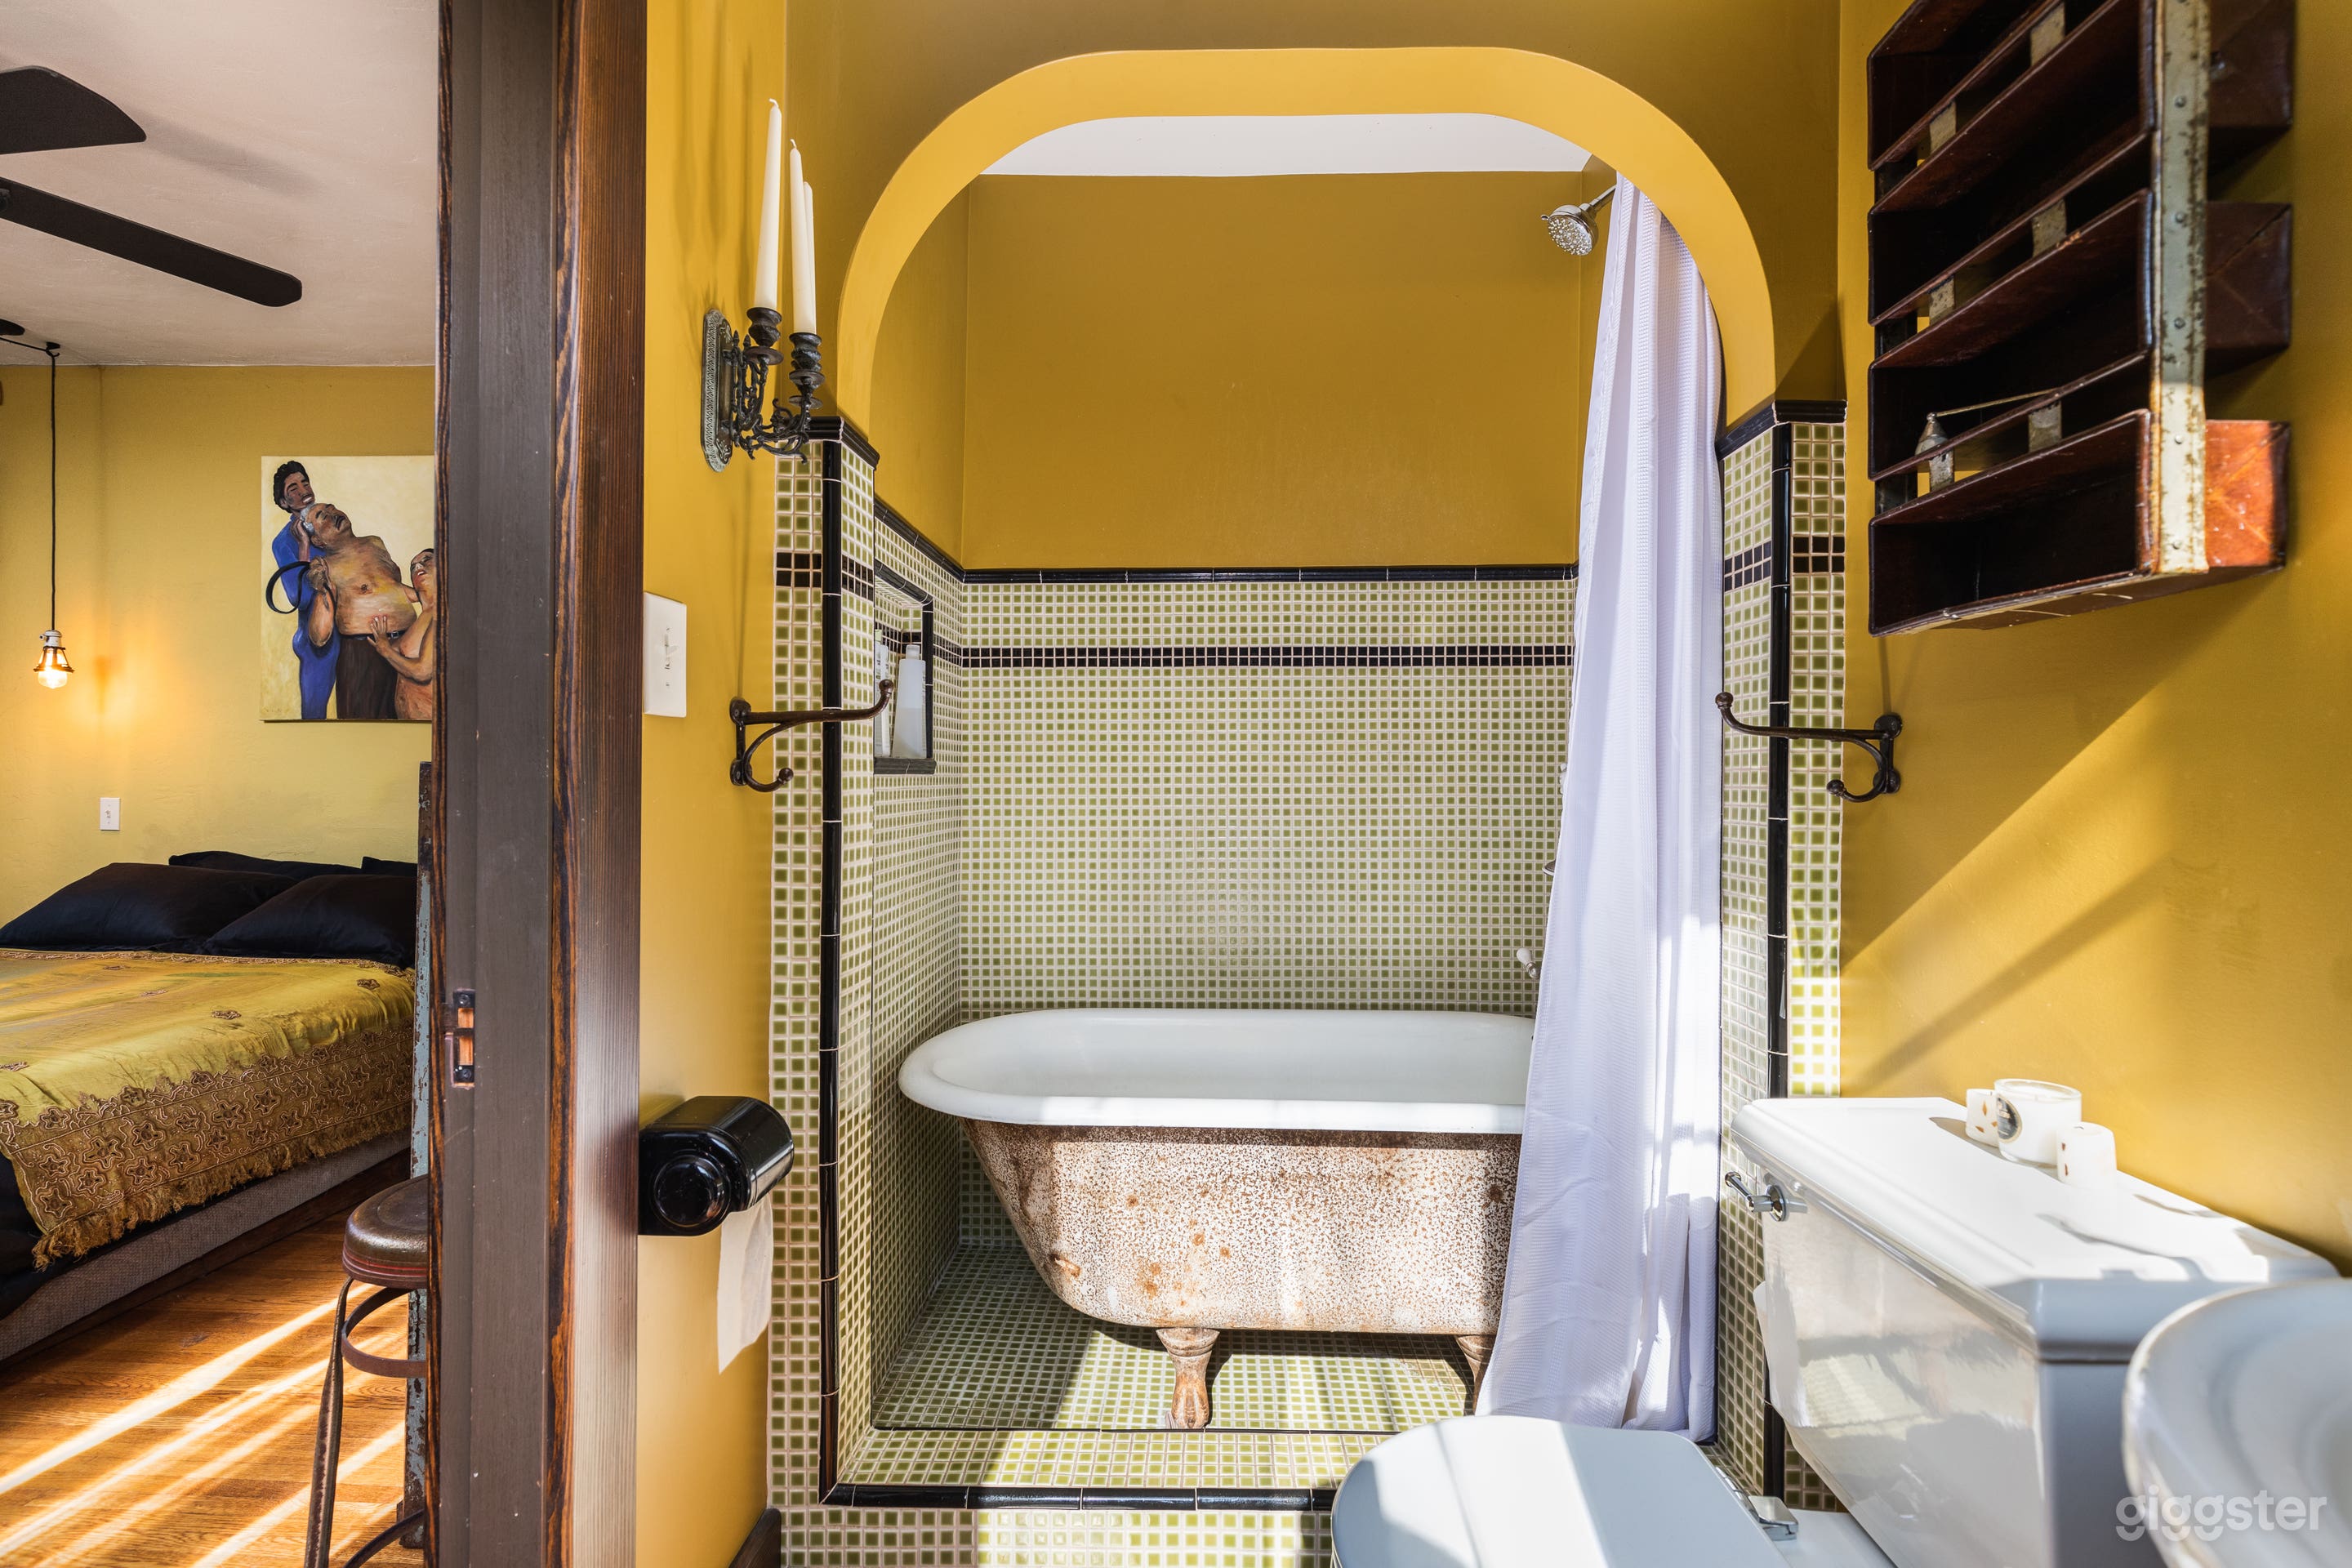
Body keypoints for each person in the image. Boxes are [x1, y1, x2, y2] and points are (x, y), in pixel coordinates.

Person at [301, 502, 416, 722]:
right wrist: (322, 590)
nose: (332, 514)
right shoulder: (324, 565)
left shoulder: (375, 543)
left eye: (332, 508)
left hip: (408, 646)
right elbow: (319, 636)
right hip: (363, 656)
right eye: (322, 516)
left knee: (411, 721)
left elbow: (394, 589)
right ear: (317, 540)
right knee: (363, 728)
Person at [268, 460, 338, 719]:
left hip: (354, 633)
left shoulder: (332, 522)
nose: (303, 491)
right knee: (314, 718)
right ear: (285, 503)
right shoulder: (283, 542)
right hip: (317, 642)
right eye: (293, 489)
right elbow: (300, 598)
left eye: (304, 483)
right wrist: (304, 548)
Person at [368, 547, 439, 721]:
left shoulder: (442, 613)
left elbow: (422, 671)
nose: (418, 566)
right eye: (413, 566)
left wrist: (386, 650)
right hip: (407, 724)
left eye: (427, 559)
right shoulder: (422, 617)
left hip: (428, 725)